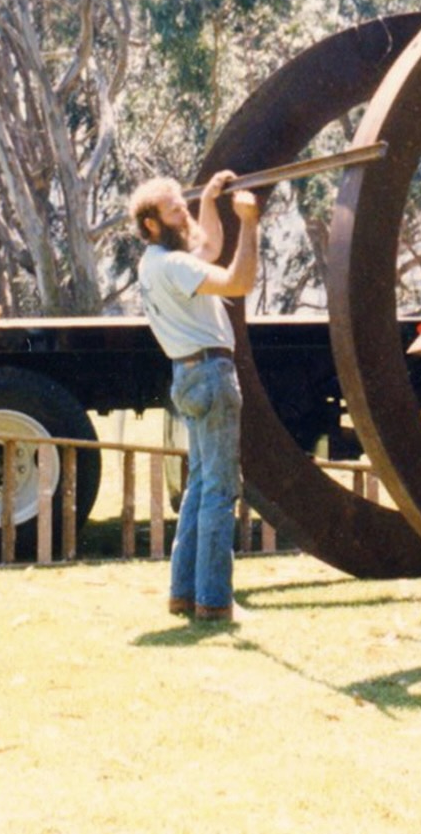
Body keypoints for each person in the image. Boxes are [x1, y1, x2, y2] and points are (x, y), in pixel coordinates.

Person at [129, 169, 260, 624]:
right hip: (212, 374)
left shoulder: (154, 263)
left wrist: (207, 199)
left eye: (183, 206)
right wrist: (250, 223)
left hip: (186, 377)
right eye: (174, 210)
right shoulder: (174, 266)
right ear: (151, 224)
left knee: (201, 486)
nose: (183, 214)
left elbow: (207, 248)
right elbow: (239, 280)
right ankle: (215, 602)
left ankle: (184, 595)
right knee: (221, 491)